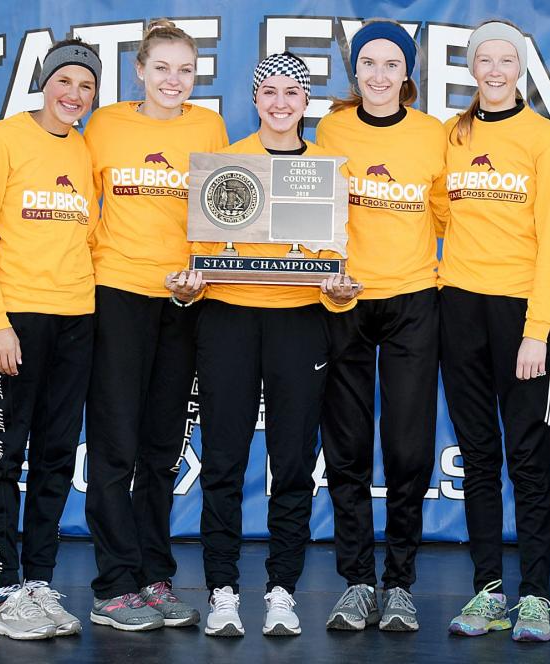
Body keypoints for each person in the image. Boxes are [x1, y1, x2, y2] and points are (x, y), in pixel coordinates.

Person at [168, 52, 361, 638]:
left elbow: (334, 268)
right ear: (254, 100)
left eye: (291, 94)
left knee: (294, 462)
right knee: (223, 459)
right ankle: (222, 590)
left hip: (299, 322)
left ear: (307, 104)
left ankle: (283, 590)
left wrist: (339, 291)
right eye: (269, 92)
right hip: (227, 318)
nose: (280, 103)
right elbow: (199, 254)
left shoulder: (328, 169)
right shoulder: (226, 165)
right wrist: (188, 286)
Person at [82, 19, 228, 632]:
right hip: (117, 295)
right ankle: (113, 585)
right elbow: (84, 213)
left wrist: (204, 270)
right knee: (115, 445)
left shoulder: (208, 127)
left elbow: (224, 209)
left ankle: (154, 575)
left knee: (162, 448)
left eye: (186, 70)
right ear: (139, 70)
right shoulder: (106, 126)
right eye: (162, 68)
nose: (175, 80)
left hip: (184, 301)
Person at [0, 38, 101, 640]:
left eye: (87, 86)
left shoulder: (86, 147)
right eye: (65, 81)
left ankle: (39, 581)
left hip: (77, 318)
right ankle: (6, 592)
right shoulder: (4, 139)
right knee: (2, 459)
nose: (74, 94)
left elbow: (88, 236)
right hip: (17, 319)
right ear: (44, 83)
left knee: (55, 456)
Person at [315, 20, 449, 632]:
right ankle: (357, 581)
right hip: (345, 300)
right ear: (355, 70)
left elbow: (450, 216)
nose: (378, 74)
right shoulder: (331, 129)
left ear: (407, 73)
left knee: (407, 447)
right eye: (367, 62)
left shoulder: (435, 136)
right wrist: (327, 271)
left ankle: (399, 582)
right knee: (345, 448)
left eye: (390, 64)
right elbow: (316, 213)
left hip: (414, 300)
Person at [440, 21, 550, 643]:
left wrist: (537, 329)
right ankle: (489, 591)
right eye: (484, 59)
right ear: (471, 68)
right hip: (458, 308)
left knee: (528, 458)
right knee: (481, 457)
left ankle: (538, 595)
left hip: (522, 313)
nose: (495, 70)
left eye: (507, 60)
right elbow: (438, 211)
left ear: (520, 68)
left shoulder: (545, 140)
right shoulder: (452, 136)